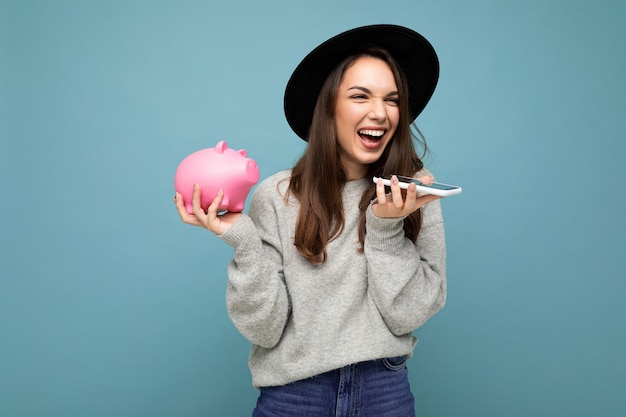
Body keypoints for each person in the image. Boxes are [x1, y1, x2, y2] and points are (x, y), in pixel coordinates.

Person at [174, 24, 447, 417]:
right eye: (360, 96)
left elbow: (410, 313)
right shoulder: (277, 196)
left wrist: (386, 227)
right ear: (329, 106)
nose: (379, 112)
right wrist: (244, 242)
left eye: (392, 99)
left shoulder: (414, 196)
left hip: (383, 392)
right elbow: (264, 330)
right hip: (293, 396)